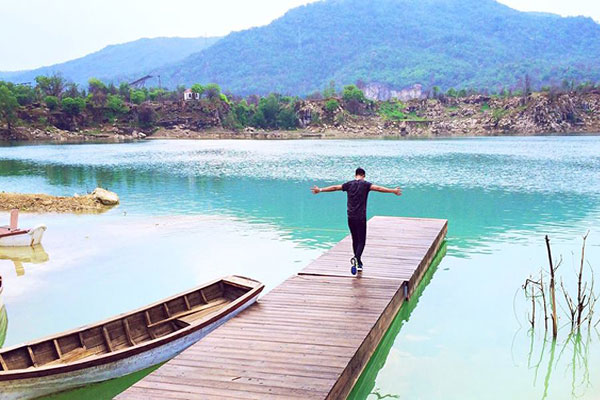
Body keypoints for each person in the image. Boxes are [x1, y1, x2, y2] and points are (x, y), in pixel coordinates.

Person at [311, 167, 402, 275]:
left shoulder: (349, 184)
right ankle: (356, 258)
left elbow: (335, 187)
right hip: (361, 217)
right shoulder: (366, 185)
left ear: (355, 175)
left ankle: (359, 263)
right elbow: (378, 188)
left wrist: (320, 190)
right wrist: (393, 191)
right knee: (362, 241)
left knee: (355, 240)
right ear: (364, 176)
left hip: (350, 217)